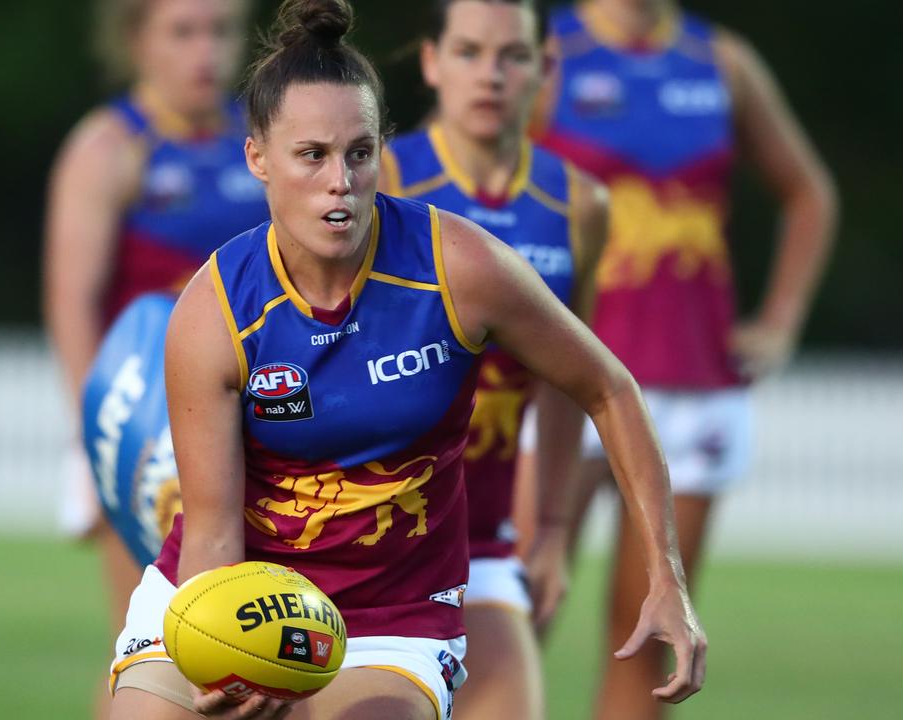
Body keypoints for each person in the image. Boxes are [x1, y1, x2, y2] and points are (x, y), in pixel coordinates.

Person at [108, 1, 706, 719]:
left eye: (359, 153)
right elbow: (211, 531)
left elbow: (608, 387)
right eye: (312, 156)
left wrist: (664, 575)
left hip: (389, 616)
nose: (341, 181)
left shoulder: (461, 268)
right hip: (232, 590)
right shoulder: (214, 311)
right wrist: (238, 657)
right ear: (258, 158)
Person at [528, 1, 838, 718]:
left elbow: (809, 191)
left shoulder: (721, 61)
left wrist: (782, 320)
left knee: (647, 637)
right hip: (568, 383)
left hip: (694, 385)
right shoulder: (543, 57)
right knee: (517, 618)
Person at [380, 1, 607, 717]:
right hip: (370, 534)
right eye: (469, 52)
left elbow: (574, 382)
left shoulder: (579, 203)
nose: (491, 75)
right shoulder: (380, 180)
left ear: (546, 68)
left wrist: (552, 532)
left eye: (513, 56)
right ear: (430, 61)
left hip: (483, 542)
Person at [44, 0, 269, 661]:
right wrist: (96, 436)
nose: (206, 51)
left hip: (257, 421)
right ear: (137, 39)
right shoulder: (110, 147)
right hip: (150, 425)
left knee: (256, 644)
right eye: (183, 32)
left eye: (221, 31)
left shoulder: (258, 140)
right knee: (156, 642)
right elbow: (71, 302)